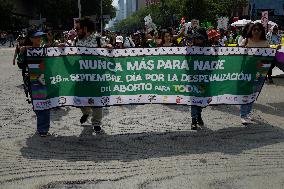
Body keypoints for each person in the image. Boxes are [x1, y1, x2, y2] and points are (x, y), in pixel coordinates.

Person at [74, 17, 103, 133]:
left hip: (96, 76)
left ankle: (96, 123)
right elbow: (69, 54)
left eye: (77, 29)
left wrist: (109, 48)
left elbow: (108, 54)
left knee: (97, 100)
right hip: (81, 76)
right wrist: (61, 48)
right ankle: (86, 112)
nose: (76, 31)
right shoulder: (76, 41)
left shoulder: (98, 40)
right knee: (79, 98)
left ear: (85, 28)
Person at [240, 22, 269, 125]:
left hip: (260, 71)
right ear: (251, 30)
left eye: (259, 29)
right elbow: (237, 56)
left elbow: (268, 57)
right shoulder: (246, 41)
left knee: (254, 92)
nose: (256, 31)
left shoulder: (265, 42)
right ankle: (243, 115)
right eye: (254, 29)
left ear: (262, 31)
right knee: (246, 92)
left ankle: (248, 113)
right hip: (247, 70)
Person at [190, 29, 208, 130]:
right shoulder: (190, 49)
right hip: (193, 79)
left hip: (203, 79)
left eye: (200, 38)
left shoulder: (208, 50)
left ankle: (199, 116)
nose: (198, 40)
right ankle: (193, 120)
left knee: (200, 98)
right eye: (196, 38)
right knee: (193, 99)